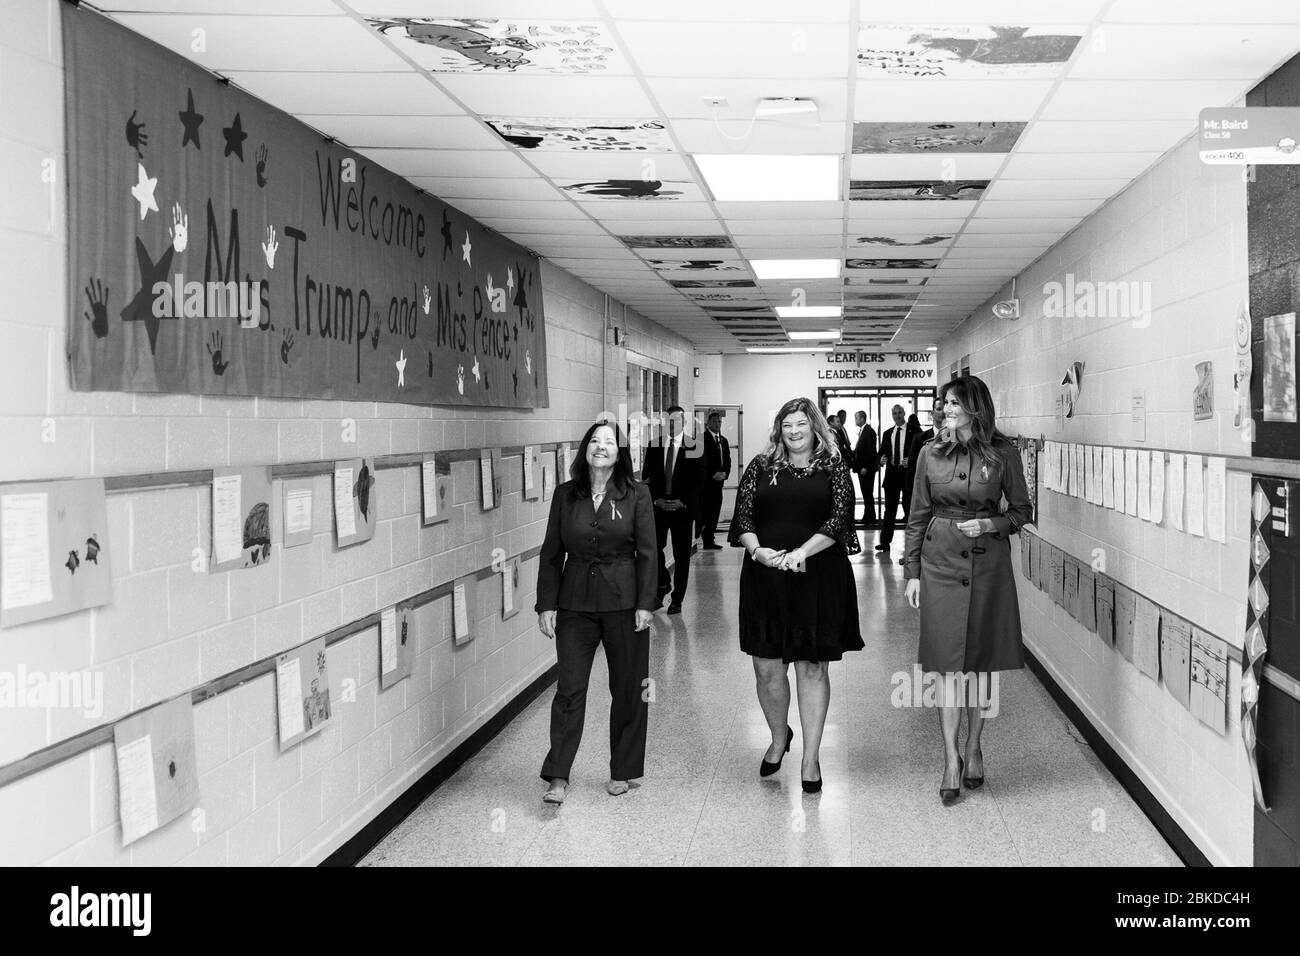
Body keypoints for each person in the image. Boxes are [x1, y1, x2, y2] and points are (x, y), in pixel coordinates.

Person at [903, 376, 1033, 805]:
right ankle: (950, 758)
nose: (946, 408)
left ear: (975, 407)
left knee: (980, 664)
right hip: (940, 563)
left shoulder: (1003, 454)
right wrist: (912, 571)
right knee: (944, 668)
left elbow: (1020, 512)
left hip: (986, 566)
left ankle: (974, 746)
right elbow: (917, 515)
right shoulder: (930, 453)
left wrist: (991, 524)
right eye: (944, 402)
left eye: (954, 402)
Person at [729, 397, 863, 794]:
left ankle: (811, 757)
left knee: (811, 666)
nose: (793, 431)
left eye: (800, 423)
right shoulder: (761, 466)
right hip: (765, 577)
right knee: (767, 667)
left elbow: (841, 516)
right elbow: (743, 516)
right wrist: (757, 551)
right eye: (786, 424)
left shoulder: (833, 466)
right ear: (778, 429)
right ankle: (778, 737)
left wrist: (802, 552)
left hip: (818, 574)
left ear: (814, 426)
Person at [536, 420, 657, 804]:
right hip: (575, 605)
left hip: (624, 604)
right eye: (594, 440)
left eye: (609, 442)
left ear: (620, 452)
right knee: (569, 689)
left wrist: (645, 605)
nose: (601, 446)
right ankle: (558, 775)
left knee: (628, 688)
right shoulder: (565, 495)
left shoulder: (636, 495)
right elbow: (552, 553)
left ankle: (622, 769)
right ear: (585, 449)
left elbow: (649, 554)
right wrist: (546, 603)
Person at [641, 405, 704, 615]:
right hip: (659, 508)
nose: (671, 424)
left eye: (675, 420)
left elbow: (698, 481)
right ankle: (663, 583)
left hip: (682, 510)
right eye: (668, 421)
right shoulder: (655, 445)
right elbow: (647, 476)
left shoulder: (694, 445)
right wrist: (656, 499)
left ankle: (677, 599)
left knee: (681, 555)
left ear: (683, 422)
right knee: (653, 549)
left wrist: (682, 501)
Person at [875, 404, 913, 555]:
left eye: (899, 413)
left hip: (907, 476)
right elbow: (881, 453)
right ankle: (885, 543)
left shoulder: (914, 431)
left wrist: (911, 461)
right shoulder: (887, 433)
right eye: (894, 413)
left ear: (904, 413)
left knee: (909, 509)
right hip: (891, 476)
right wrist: (881, 459)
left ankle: (913, 544)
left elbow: (921, 453)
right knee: (889, 511)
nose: (897, 416)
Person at [699, 411, 731, 550]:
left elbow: (728, 460)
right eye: (715, 421)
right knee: (705, 513)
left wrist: (725, 473)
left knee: (714, 513)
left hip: (718, 484)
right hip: (705, 485)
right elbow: (699, 461)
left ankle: (710, 540)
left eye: (719, 422)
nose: (718, 424)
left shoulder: (723, 440)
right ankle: (705, 539)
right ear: (708, 423)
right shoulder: (700, 439)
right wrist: (712, 474)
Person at [905, 396, 943, 496]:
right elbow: (913, 471)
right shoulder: (919, 439)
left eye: (945, 408)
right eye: (939, 409)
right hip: (926, 493)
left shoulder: (958, 438)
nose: (943, 412)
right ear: (932, 414)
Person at [852, 410, 878, 527]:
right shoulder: (864, 431)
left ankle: (870, 517)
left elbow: (870, 452)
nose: (855, 420)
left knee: (867, 493)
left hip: (866, 469)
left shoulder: (869, 432)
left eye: (856, 418)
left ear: (862, 419)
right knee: (866, 493)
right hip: (863, 468)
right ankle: (868, 516)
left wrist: (865, 467)